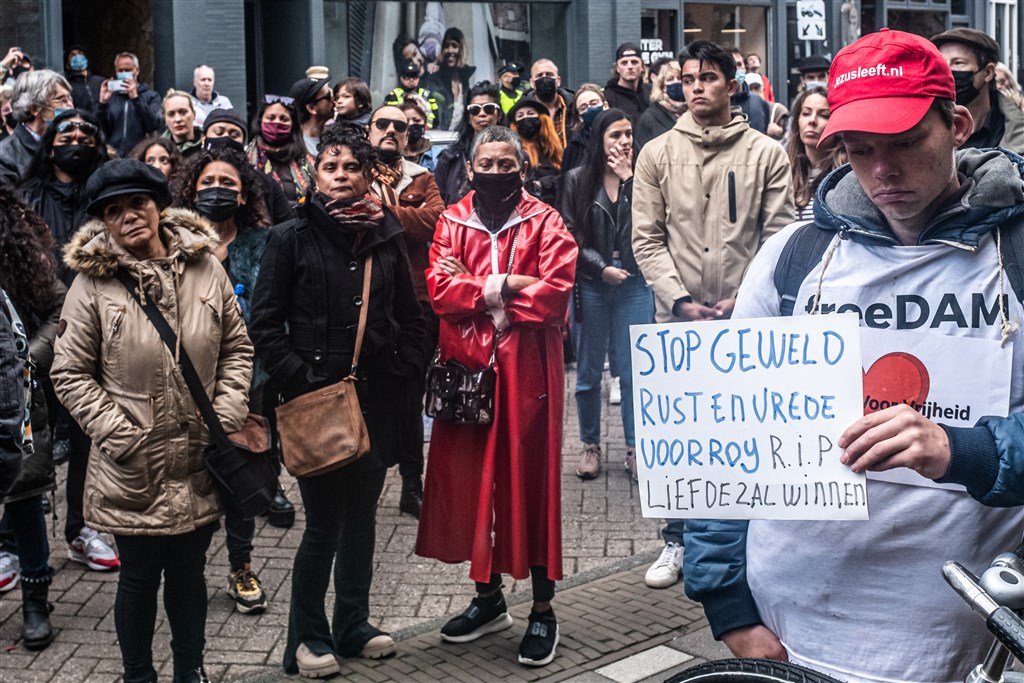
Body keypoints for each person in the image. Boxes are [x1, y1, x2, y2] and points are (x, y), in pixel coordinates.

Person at [683, 29, 1024, 683]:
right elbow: (721, 437)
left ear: (957, 124)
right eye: (861, 150)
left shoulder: (1016, 254)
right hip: (786, 631)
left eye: (904, 144)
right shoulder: (792, 256)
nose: (883, 172)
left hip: (955, 641)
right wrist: (727, 605)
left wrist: (960, 450)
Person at [51, 159, 252, 683]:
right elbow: (69, 372)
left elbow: (237, 347)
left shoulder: (206, 266)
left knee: (188, 576)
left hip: (200, 453)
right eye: (113, 211)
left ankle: (191, 670)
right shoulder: (92, 284)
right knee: (138, 578)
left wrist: (227, 412)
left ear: (158, 205)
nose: (128, 217)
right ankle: (138, 675)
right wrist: (120, 434)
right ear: (104, 221)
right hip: (132, 463)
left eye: (137, 203)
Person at [250, 124, 425, 678]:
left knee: (363, 521)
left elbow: (410, 311)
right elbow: (264, 325)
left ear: (368, 174)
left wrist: (407, 364)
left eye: (353, 167)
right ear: (316, 174)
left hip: (377, 401)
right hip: (317, 405)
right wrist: (302, 379)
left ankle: (353, 624)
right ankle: (305, 638)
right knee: (324, 523)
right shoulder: (290, 237)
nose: (342, 176)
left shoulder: (385, 231)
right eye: (331, 167)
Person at [631, 40, 794, 590]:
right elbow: (647, 240)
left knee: (742, 430)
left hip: (743, 318)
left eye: (707, 78)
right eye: (687, 79)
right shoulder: (655, 154)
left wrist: (741, 299)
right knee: (679, 433)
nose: (695, 87)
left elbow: (778, 237)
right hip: (677, 321)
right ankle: (676, 540)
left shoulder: (766, 154)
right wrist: (678, 300)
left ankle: (742, 536)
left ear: (732, 85)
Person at [417, 124, 576, 667]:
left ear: (523, 170)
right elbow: (439, 291)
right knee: (473, 484)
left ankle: (542, 610)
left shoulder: (546, 221)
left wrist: (482, 291)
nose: (496, 174)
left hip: (531, 374)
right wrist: (510, 284)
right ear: (470, 168)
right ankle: (488, 601)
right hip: (469, 372)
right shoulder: (451, 220)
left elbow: (553, 297)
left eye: (507, 165)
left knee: (530, 484)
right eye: (487, 164)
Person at [170, 145, 283, 612]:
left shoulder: (264, 242)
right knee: (192, 474)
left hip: (248, 379)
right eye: (209, 183)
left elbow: (276, 310)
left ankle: (241, 566)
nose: (217, 191)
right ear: (192, 189)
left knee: (240, 470)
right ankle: (186, 570)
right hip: (185, 380)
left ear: (244, 196)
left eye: (228, 185)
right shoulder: (173, 244)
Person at [563, 109, 652, 480]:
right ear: (600, 141)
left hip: (634, 284)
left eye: (629, 134)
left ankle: (634, 448)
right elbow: (570, 234)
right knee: (587, 373)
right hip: (593, 284)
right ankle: (589, 445)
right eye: (616, 135)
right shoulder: (576, 179)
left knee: (634, 374)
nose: (625, 142)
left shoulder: (643, 179)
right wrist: (600, 268)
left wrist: (630, 182)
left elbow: (649, 229)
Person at [366, 105, 443, 519]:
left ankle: (412, 486)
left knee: (413, 392)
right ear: (369, 131)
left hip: (415, 299)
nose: (393, 130)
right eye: (384, 124)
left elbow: (436, 220)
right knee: (373, 393)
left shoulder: (421, 177)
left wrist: (383, 212)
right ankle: (369, 481)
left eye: (401, 125)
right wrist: (403, 218)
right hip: (368, 298)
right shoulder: (354, 173)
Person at [0, 186, 63, 650]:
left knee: (25, 500)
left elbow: (61, 311)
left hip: (14, 399)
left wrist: (26, 359)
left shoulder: (22, 257)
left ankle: (35, 599)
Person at [932, 28, 1024, 154]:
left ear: (988, 72)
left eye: (958, 63)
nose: (947, 71)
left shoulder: (1013, 130)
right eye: (942, 63)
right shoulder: (927, 126)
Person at [203, 108, 294, 226]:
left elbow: (288, 226)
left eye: (234, 135)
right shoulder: (188, 181)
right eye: (219, 133)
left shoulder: (264, 183)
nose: (226, 138)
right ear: (204, 139)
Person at [433, 80, 502, 205]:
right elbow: (438, 204)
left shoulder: (516, 156)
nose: (482, 114)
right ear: (469, 118)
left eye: (489, 108)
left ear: (499, 115)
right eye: (475, 110)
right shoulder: (450, 158)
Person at [0, 70, 73, 187]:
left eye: (69, 98)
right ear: (34, 109)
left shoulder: (75, 143)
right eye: (61, 99)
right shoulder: (5, 156)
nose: (70, 106)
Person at [785, 85, 844, 221]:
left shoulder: (848, 173)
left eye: (823, 115)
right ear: (797, 121)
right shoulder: (783, 169)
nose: (812, 121)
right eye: (806, 113)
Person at [246, 95, 315, 208]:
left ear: (293, 125)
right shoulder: (247, 160)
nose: (277, 123)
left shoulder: (307, 163)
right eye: (271, 118)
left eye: (284, 119)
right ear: (260, 121)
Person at [98, 52, 163, 158]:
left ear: (136, 71)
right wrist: (102, 103)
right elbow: (100, 128)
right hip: (114, 156)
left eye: (128, 70)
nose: (124, 73)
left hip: (140, 155)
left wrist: (136, 98)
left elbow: (153, 124)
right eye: (120, 70)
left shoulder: (151, 96)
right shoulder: (112, 97)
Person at [509, 99, 562, 205]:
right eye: (520, 116)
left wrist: (545, 183)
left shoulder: (555, 151)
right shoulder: (514, 153)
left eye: (531, 113)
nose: (525, 118)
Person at [424, 27, 476, 131]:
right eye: (446, 46)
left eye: (454, 46)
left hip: (458, 140)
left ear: (461, 50)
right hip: (437, 138)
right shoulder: (435, 77)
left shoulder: (464, 80)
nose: (450, 51)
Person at [634, 59, 684, 152]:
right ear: (663, 86)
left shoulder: (695, 112)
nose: (676, 82)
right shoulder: (649, 118)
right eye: (670, 79)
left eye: (679, 78)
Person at [561, 84, 607, 174]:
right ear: (580, 117)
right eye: (584, 107)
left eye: (594, 103)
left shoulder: (623, 135)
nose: (590, 108)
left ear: (605, 105)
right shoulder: (574, 148)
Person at [525, 59, 572, 147]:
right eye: (539, 76)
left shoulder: (573, 107)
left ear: (558, 81)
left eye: (549, 75)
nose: (544, 78)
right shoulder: (521, 112)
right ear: (532, 83)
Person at [728, 46, 771, 135]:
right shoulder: (718, 102)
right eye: (732, 65)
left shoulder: (757, 101)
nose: (737, 69)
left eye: (739, 64)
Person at [384, 62, 439, 129]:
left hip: (426, 131)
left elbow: (435, 117)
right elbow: (389, 116)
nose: (411, 80)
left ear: (418, 78)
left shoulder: (427, 95)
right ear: (401, 78)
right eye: (407, 77)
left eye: (414, 77)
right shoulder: (394, 95)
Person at [289, 77, 334, 158]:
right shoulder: (293, 145)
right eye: (328, 97)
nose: (333, 100)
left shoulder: (335, 135)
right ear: (311, 108)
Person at [604, 42, 649, 119]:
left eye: (634, 62)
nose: (630, 66)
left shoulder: (652, 92)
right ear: (617, 68)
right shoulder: (608, 97)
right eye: (624, 63)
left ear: (642, 66)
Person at [63, 46, 105, 118]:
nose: (78, 57)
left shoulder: (100, 81)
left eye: (79, 53)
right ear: (67, 65)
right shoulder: (67, 86)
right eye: (73, 55)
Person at [161, 89, 203, 159]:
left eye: (183, 112)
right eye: (171, 114)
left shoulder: (209, 144)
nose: (178, 119)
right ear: (165, 119)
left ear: (194, 115)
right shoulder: (159, 150)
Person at [398, 101, 437, 171]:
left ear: (424, 124)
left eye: (417, 120)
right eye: (406, 121)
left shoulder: (437, 155)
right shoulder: (390, 156)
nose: (411, 124)